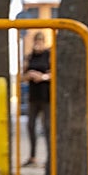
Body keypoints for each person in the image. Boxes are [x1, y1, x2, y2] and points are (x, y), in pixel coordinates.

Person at [22, 31, 52, 166]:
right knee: (31, 126)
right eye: (36, 41)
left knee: (47, 127)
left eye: (40, 41)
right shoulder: (30, 57)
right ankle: (32, 156)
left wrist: (43, 77)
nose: (38, 44)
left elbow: (54, 73)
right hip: (33, 96)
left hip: (46, 96)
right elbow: (22, 76)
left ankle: (50, 157)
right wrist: (29, 75)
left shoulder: (49, 55)